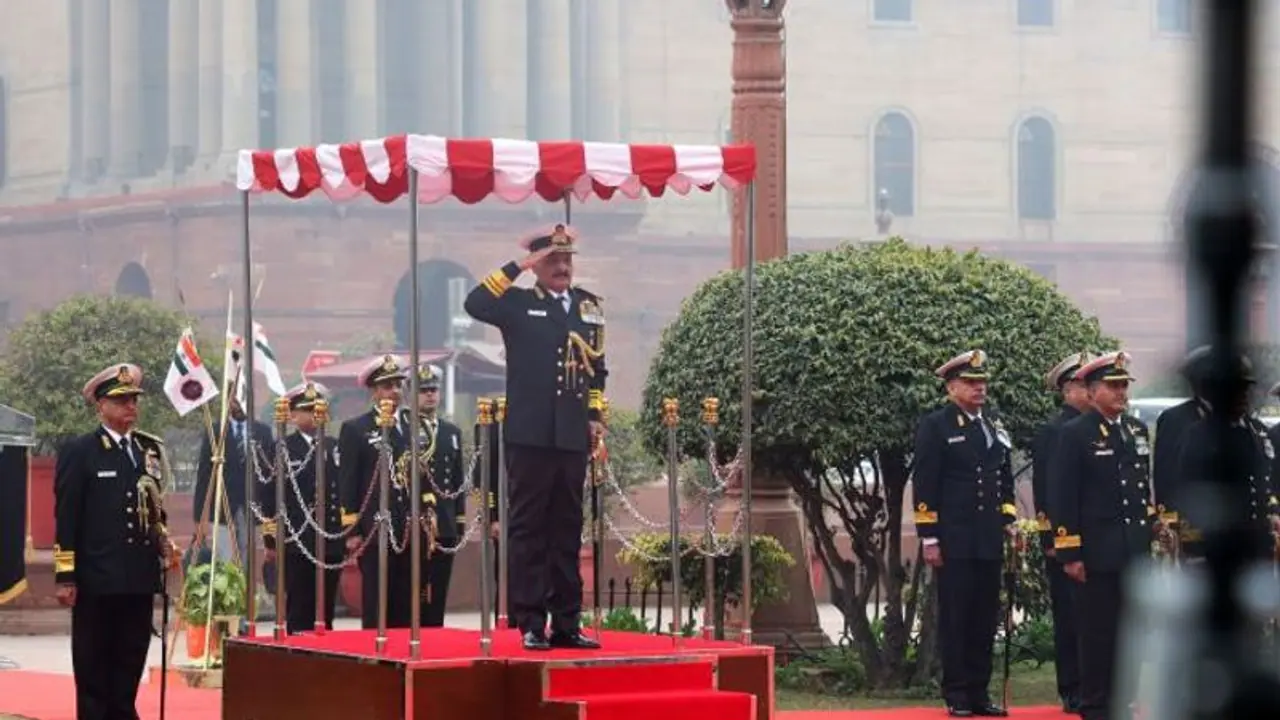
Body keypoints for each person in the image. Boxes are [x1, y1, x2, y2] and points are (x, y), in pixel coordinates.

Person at [464, 223, 607, 651]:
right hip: (529, 433)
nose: (562, 267)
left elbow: (598, 368)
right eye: (552, 260)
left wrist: (595, 413)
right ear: (536, 265)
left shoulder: (589, 307)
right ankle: (530, 621)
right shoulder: (517, 303)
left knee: (567, 528)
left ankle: (567, 622)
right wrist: (514, 268)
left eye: (567, 260)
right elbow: (475, 303)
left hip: (570, 434)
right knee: (528, 528)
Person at [55, 363, 178, 720]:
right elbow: (67, 517)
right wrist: (66, 576)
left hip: (138, 578)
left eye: (133, 399)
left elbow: (155, 508)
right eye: (121, 400)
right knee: (94, 665)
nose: (131, 407)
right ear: (101, 405)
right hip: (98, 579)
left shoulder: (147, 451)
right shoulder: (81, 451)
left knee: (129, 660)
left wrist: (164, 544)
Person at [1048, 351, 1158, 720]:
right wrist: (1070, 553)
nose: (1121, 393)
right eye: (1113, 386)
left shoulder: (1134, 429)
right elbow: (1064, 497)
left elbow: (1140, 490)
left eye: (1124, 385)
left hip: (1133, 550)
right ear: (1091, 392)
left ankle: (1123, 698)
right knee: (1097, 634)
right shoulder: (1074, 434)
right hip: (1096, 553)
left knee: (1131, 633)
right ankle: (1095, 704)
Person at [912, 349, 1015, 718]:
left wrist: (1008, 516)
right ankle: (956, 692)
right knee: (957, 616)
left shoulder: (992, 426)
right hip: (954, 538)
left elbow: (1004, 478)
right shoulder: (937, 426)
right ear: (952, 387)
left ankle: (979, 691)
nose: (979, 388)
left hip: (988, 538)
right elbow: (925, 484)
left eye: (982, 382)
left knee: (985, 617)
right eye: (971, 383)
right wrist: (930, 537)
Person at [340, 354, 437, 629]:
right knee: (377, 599)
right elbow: (348, 482)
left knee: (406, 599)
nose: (394, 391)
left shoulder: (414, 426)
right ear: (373, 391)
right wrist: (352, 530)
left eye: (397, 385)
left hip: (410, 525)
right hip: (375, 527)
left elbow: (424, 474)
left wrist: (429, 512)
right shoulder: (356, 429)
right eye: (387, 385)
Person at [1031, 352, 1093, 715]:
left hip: (1095, 539)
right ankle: (1072, 687)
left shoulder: (1097, 427)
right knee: (1069, 618)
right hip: (1065, 541)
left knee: (1094, 618)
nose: (1090, 391)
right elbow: (1045, 490)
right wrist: (1051, 540)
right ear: (1068, 389)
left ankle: (1095, 684)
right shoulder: (1055, 431)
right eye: (1084, 384)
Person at [1174, 354, 1279, 560]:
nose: (1243, 396)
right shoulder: (1199, 435)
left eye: (1245, 389)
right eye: (1236, 390)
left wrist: (1272, 514)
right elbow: (1190, 489)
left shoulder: (1257, 431)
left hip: (1257, 540)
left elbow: (1266, 481)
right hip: (1219, 543)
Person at [258, 382, 343, 634]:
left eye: (319, 409)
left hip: (329, 536)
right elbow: (268, 497)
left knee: (326, 604)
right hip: (296, 538)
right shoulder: (281, 448)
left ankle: (327, 651)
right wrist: (271, 539)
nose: (315, 415)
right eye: (308, 410)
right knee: (300, 602)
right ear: (294, 416)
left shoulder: (333, 445)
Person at [411, 363, 467, 627]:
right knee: (415, 587)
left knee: (440, 584)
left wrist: (458, 521)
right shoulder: (405, 430)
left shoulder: (451, 432)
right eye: (423, 391)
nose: (430, 395)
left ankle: (436, 629)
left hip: (443, 523)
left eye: (433, 389)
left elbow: (457, 481)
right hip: (414, 522)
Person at [193, 397, 275, 567]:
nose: (236, 406)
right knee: (224, 555)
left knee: (247, 553)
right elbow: (204, 475)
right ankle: (226, 592)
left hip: (253, 506)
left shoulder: (263, 432)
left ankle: (245, 591)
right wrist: (199, 516)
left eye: (240, 401)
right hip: (222, 506)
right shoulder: (215, 431)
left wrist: (270, 512)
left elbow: (269, 474)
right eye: (233, 401)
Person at [1151, 346, 1212, 558]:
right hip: (1191, 522)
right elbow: (1166, 473)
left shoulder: (1241, 418)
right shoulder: (1176, 419)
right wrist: (1168, 521)